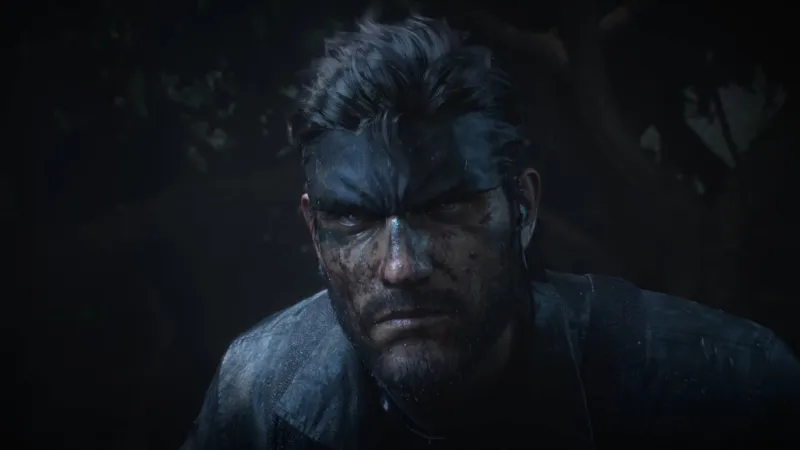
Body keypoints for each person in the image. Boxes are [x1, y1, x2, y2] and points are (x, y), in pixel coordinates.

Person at [180, 15, 800, 450]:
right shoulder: (257, 396)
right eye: (355, 220)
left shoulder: (722, 389)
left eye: (446, 208)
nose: (400, 267)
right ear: (315, 235)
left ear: (522, 208)